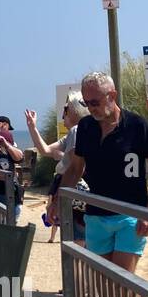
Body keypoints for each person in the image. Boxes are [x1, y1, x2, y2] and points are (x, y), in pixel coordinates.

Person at [60, 71, 148, 297]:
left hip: (130, 216)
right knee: (107, 291)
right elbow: (76, 167)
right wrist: (59, 198)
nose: (91, 107)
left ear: (113, 95)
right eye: (87, 102)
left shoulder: (137, 126)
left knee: (123, 283)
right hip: (96, 217)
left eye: (95, 101)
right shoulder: (85, 128)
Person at [24, 95, 88, 246]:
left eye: (66, 109)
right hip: (77, 191)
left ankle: (77, 269)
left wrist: (57, 201)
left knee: (77, 240)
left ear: (75, 111)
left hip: (74, 190)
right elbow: (45, 150)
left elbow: (76, 168)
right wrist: (32, 127)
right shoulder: (73, 134)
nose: (63, 114)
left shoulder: (77, 131)